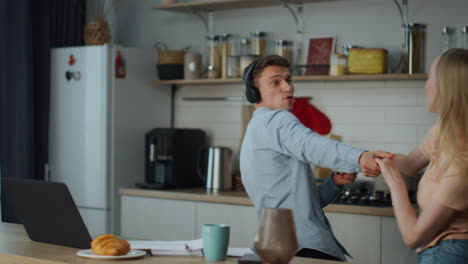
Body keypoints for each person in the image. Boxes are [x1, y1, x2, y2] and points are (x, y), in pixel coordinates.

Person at [239, 55, 393, 261]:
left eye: (288, 79)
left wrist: (333, 184)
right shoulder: (275, 120)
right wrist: (360, 157)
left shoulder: (255, 128)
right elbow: (311, 144)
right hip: (303, 249)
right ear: (254, 91)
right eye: (276, 82)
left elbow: (300, 207)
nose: (288, 87)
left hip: (279, 248)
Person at [375, 49, 468, 264]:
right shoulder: (442, 132)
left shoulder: (462, 164)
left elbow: (413, 237)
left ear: (448, 88)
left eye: (430, 79)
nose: (426, 86)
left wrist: (395, 183)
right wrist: (362, 156)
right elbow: (408, 164)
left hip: (450, 255)